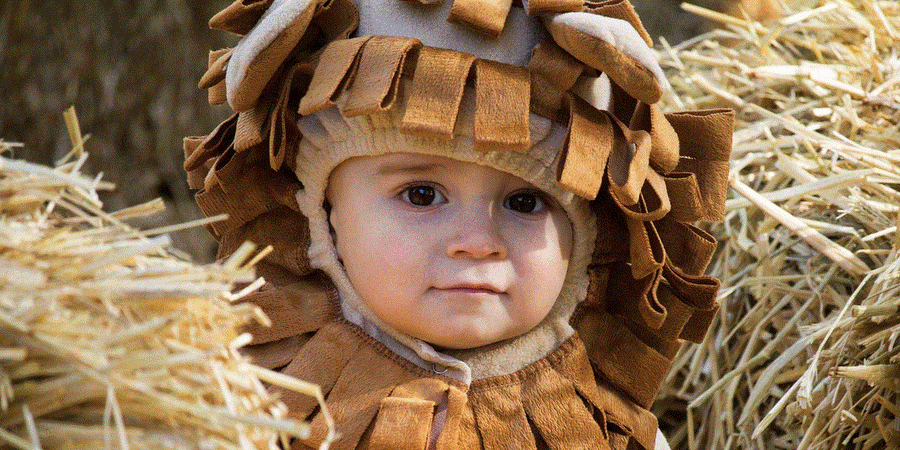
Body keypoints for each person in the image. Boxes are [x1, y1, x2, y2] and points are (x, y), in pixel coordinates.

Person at [184, 0, 734, 448]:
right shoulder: (260, 389)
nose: (477, 244)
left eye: (524, 203)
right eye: (421, 195)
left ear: (586, 236)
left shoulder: (603, 423)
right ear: (323, 212)